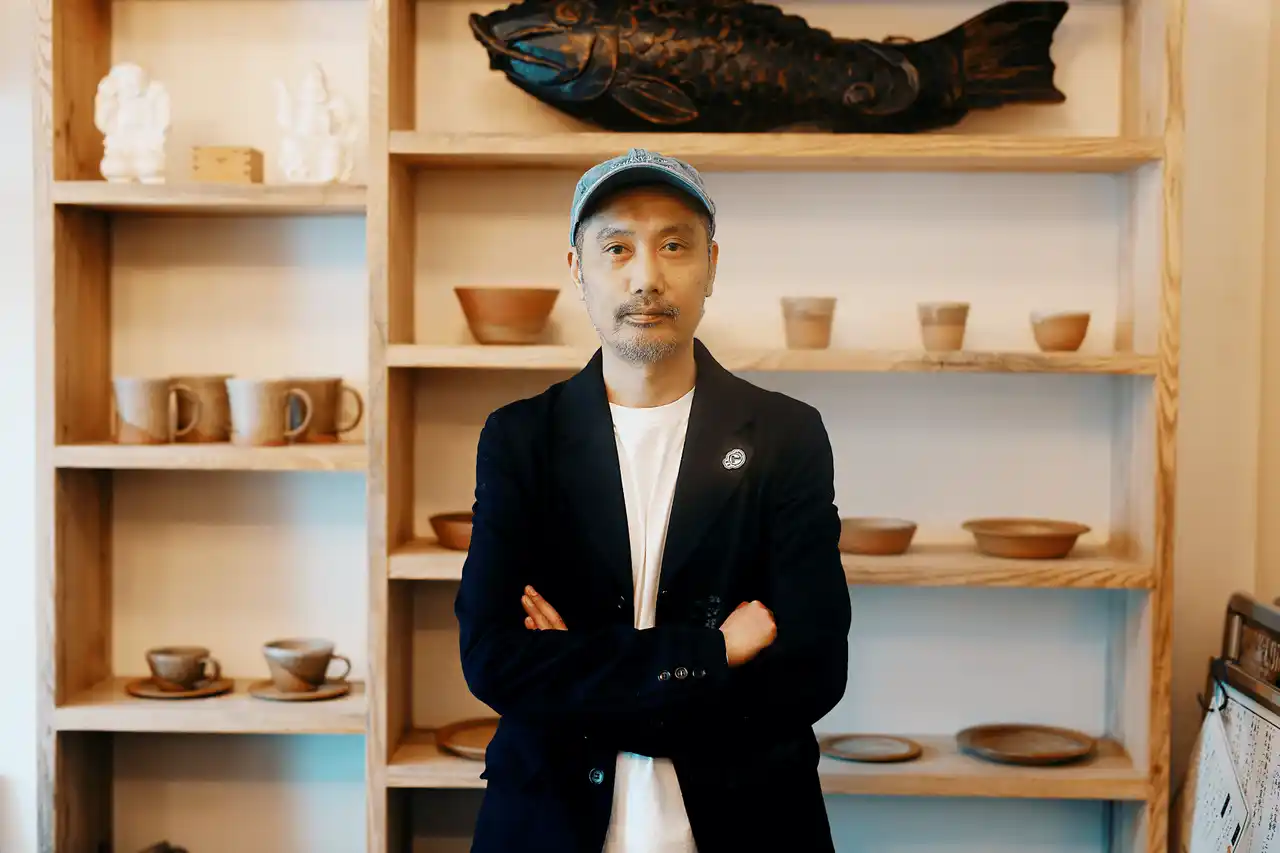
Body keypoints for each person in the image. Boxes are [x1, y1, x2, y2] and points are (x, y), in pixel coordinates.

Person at [454, 148, 852, 853]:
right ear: (577, 268)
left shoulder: (786, 436)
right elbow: (494, 660)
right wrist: (712, 652)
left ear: (711, 265)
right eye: (617, 248)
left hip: (751, 824)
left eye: (674, 245)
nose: (646, 277)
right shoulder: (520, 439)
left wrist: (579, 674)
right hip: (550, 824)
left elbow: (811, 672)